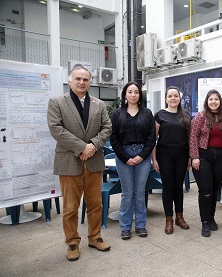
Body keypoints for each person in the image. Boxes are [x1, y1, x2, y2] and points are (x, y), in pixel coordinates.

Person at [47, 65, 112, 261]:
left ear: (90, 81)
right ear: (70, 81)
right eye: (78, 79)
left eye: (85, 79)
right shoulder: (57, 102)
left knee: (95, 204)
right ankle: (72, 242)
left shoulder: (98, 104)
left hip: (94, 161)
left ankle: (95, 236)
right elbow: (56, 128)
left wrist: (92, 145)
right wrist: (82, 147)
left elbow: (107, 127)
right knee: (70, 207)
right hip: (69, 160)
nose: (82, 82)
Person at [110, 81, 156, 240]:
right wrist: (125, 157)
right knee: (127, 192)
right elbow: (113, 138)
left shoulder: (147, 113)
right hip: (124, 154)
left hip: (143, 154)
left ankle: (141, 225)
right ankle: (125, 227)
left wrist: (142, 155)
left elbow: (152, 138)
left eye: (136, 92)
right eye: (130, 92)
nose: (133, 95)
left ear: (140, 95)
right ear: (125, 95)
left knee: (140, 192)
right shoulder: (117, 114)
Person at [189, 89, 222, 237]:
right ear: (207, 102)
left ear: (220, 102)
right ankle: (204, 222)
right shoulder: (200, 117)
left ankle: (212, 217)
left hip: (220, 157)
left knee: (215, 188)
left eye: (216, 99)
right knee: (206, 190)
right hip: (203, 155)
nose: (213, 102)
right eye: (211, 99)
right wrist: (194, 157)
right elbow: (193, 137)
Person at [152, 86, 191, 234]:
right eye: (170, 96)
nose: (173, 98)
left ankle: (179, 217)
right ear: (166, 99)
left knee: (178, 186)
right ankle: (168, 219)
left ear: (179, 98)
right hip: (164, 155)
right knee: (168, 187)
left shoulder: (185, 115)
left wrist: (189, 157)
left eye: (176, 96)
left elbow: (189, 139)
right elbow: (153, 140)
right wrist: (154, 159)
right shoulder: (160, 115)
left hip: (182, 155)